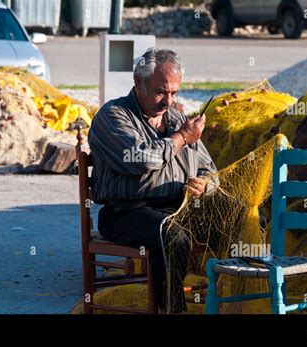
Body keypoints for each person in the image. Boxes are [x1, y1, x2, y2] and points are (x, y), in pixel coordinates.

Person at [88, 48, 217, 313]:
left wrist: (206, 185)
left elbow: (209, 168)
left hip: (178, 207)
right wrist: (181, 138)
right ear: (139, 82)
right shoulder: (113, 116)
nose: (168, 101)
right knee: (172, 236)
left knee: (244, 214)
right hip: (128, 212)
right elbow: (141, 159)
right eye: (161, 92)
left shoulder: (178, 119)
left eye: (174, 93)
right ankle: (172, 308)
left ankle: (230, 300)